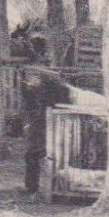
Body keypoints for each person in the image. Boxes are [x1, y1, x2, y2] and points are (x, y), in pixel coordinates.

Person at [20, 64, 73, 194]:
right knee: (33, 155)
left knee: (37, 155)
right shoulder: (40, 91)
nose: (29, 82)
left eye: (32, 78)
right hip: (41, 127)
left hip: (49, 127)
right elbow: (29, 103)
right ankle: (32, 188)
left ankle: (36, 188)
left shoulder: (52, 91)